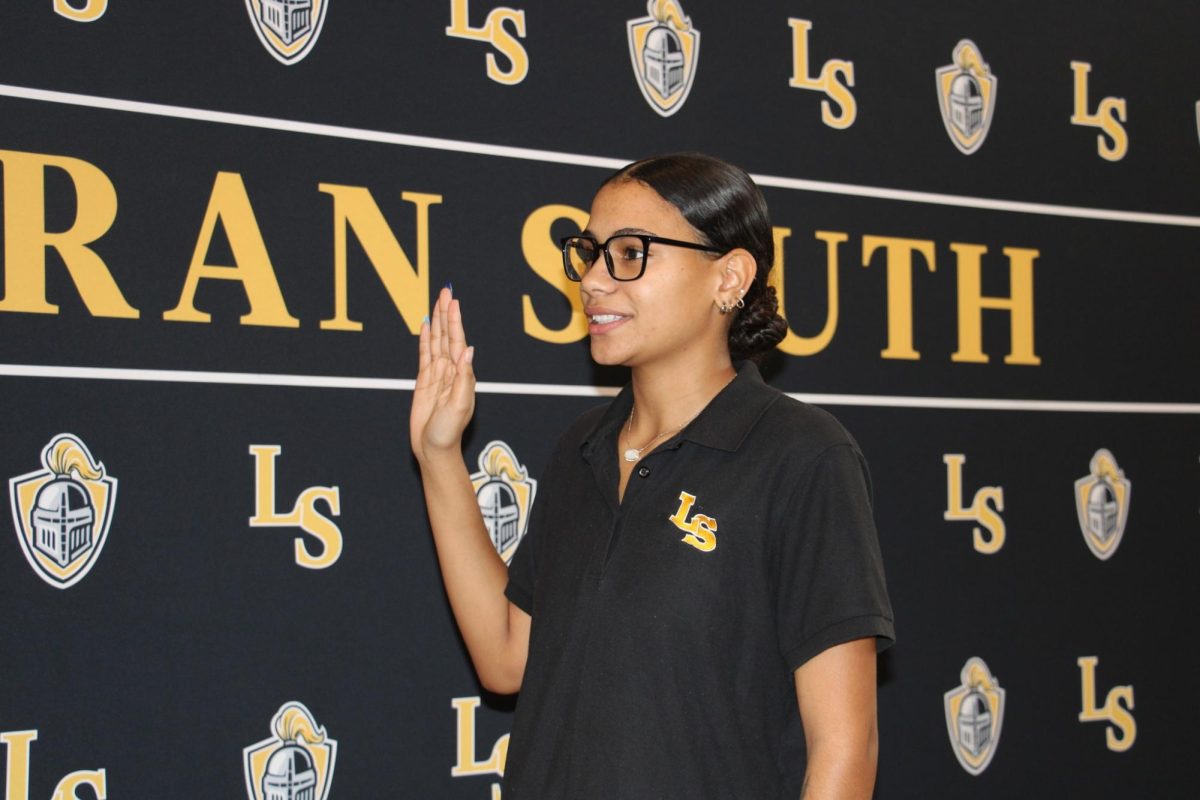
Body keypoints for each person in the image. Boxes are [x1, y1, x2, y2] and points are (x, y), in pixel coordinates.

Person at [410, 152, 894, 798]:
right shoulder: (581, 451)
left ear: (731, 277)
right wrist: (440, 454)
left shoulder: (803, 457)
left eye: (631, 253)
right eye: (590, 251)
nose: (593, 282)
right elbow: (505, 656)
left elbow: (844, 746)